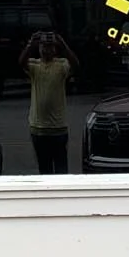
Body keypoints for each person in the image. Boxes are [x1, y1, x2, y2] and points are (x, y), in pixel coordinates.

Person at [20, 30, 78, 175]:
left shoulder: (61, 64)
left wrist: (63, 44)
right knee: (44, 168)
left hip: (58, 128)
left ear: (55, 49)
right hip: (38, 128)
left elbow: (76, 65)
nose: (47, 50)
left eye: (50, 46)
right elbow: (21, 62)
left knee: (61, 169)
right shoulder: (35, 65)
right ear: (39, 49)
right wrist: (30, 44)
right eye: (43, 47)